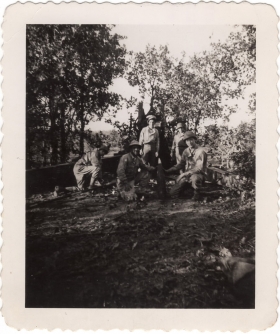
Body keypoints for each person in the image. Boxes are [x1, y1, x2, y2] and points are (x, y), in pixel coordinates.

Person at [165, 131, 207, 200]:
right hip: (188, 176)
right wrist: (169, 170)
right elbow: (181, 164)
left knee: (195, 178)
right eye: (187, 140)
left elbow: (199, 168)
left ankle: (197, 193)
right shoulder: (186, 151)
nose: (189, 142)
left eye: (191, 140)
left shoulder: (200, 151)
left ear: (195, 140)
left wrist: (183, 174)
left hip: (198, 174)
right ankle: (187, 189)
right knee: (172, 193)